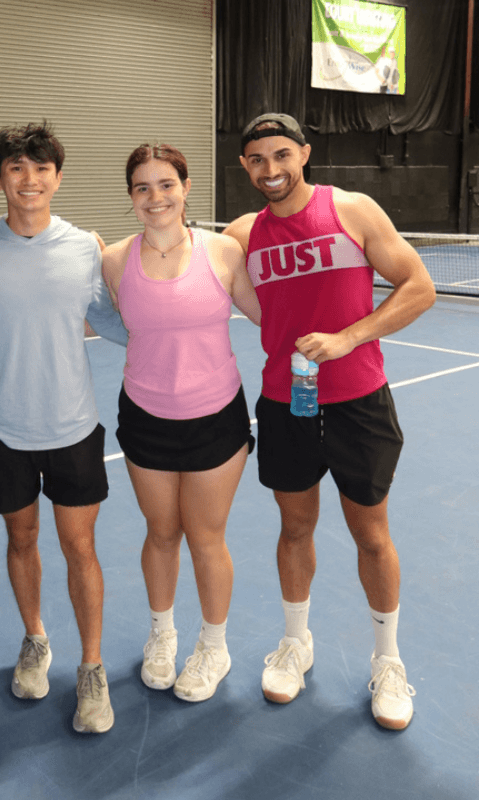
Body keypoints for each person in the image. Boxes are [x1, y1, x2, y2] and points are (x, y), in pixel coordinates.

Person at [225, 113, 436, 729]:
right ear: (245, 166)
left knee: (371, 534)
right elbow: (184, 263)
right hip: (283, 404)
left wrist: (349, 337)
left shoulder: (352, 209)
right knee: (295, 528)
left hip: (358, 402)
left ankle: (388, 660)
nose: (270, 169)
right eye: (257, 159)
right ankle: (297, 643)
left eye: (281, 155)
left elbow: (419, 287)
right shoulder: (242, 235)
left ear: (304, 154)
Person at [0, 122, 128, 734]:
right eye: (16, 168)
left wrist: (180, 338)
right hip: (0, 427)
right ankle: (35, 638)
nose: (29, 180)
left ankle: (91, 667)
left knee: (80, 547)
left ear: (57, 177)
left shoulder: (85, 247)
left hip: (72, 426)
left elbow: (113, 321)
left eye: (41, 168)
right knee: (21, 539)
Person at [102, 144, 260, 702]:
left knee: (206, 537)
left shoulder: (223, 251)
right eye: (142, 187)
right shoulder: (114, 260)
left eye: (166, 184)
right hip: (145, 417)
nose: (156, 197)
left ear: (186, 187)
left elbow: (269, 315)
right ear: (131, 197)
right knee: (162, 533)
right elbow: (113, 321)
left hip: (216, 418)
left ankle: (214, 646)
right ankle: (162, 635)